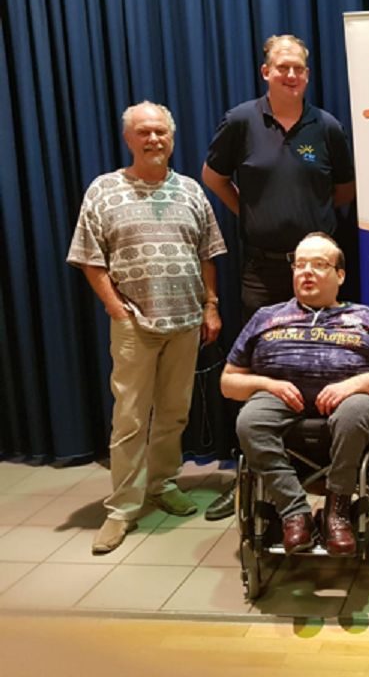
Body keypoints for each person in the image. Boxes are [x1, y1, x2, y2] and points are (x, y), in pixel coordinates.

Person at [202, 34, 357, 520]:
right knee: (257, 367)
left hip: (319, 270)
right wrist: (250, 213)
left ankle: (323, 469)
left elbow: (344, 188)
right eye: (282, 67)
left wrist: (311, 232)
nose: (291, 75)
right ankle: (252, 472)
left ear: (307, 75)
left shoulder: (326, 126)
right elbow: (213, 177)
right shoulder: (240, 121)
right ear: (265, 72)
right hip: (264, 268)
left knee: (327, 361)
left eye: (299, 69)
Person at [67, 101, 227, 555]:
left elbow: (207, 254)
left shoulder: (191, 191)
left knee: (174, 413)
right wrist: (115, 308)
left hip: (186, 322)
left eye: (160, 132)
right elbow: (90, 258)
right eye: (144, 132)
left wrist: (210, 306)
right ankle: (121, 508)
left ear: (171, 138)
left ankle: (162, 484)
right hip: (134, 323)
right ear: (129, 139)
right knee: (130, 418)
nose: (153, 139)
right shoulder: (104, 190)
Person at [221, 232, 369, 555]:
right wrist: (267, 384)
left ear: (340, 275)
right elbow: (228, 382)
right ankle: (294, 513)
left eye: (319, 264)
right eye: (300, 264)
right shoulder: (266, 317)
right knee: (249, 422)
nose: (306, 272)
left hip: (351, 398)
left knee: (353, 413)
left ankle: (337, 511)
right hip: (280, 397)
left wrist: (352, 385)